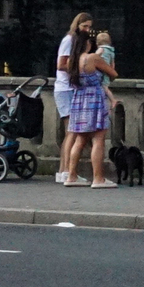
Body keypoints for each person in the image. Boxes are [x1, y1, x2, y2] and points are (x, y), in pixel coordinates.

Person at [62, 34, 116, 189]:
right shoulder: (92, 58)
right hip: (94, 98)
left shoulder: (72, 61)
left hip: (79, 99)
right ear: (86, 43)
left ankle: (71, 175)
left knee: (79, 139)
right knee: (98, 139)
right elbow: (113, 74)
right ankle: (98, 178)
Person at [53, 11, 94, 186]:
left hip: (70, 88)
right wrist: (79, 68)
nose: (87, 30)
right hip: (65, 89)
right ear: (77, 25)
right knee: (72, 131)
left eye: (89, 27)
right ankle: (66, 171)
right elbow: (61, 64)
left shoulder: (77, 41)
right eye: (84, 26)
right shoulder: (69, 40)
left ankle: (64, 171)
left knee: (71, 131)